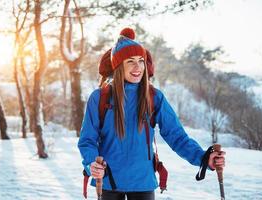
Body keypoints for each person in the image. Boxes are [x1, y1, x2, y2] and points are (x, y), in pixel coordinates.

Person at [78, 27, 225, 200]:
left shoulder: (154, 97)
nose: (138, 67)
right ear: (118, 66)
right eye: (130, 61)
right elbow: (87, 140)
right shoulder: (100, 97)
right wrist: (91, 163)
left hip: (143, 182)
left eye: (141, 61)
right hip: (108, 180)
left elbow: (176, 136)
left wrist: (203, 158)